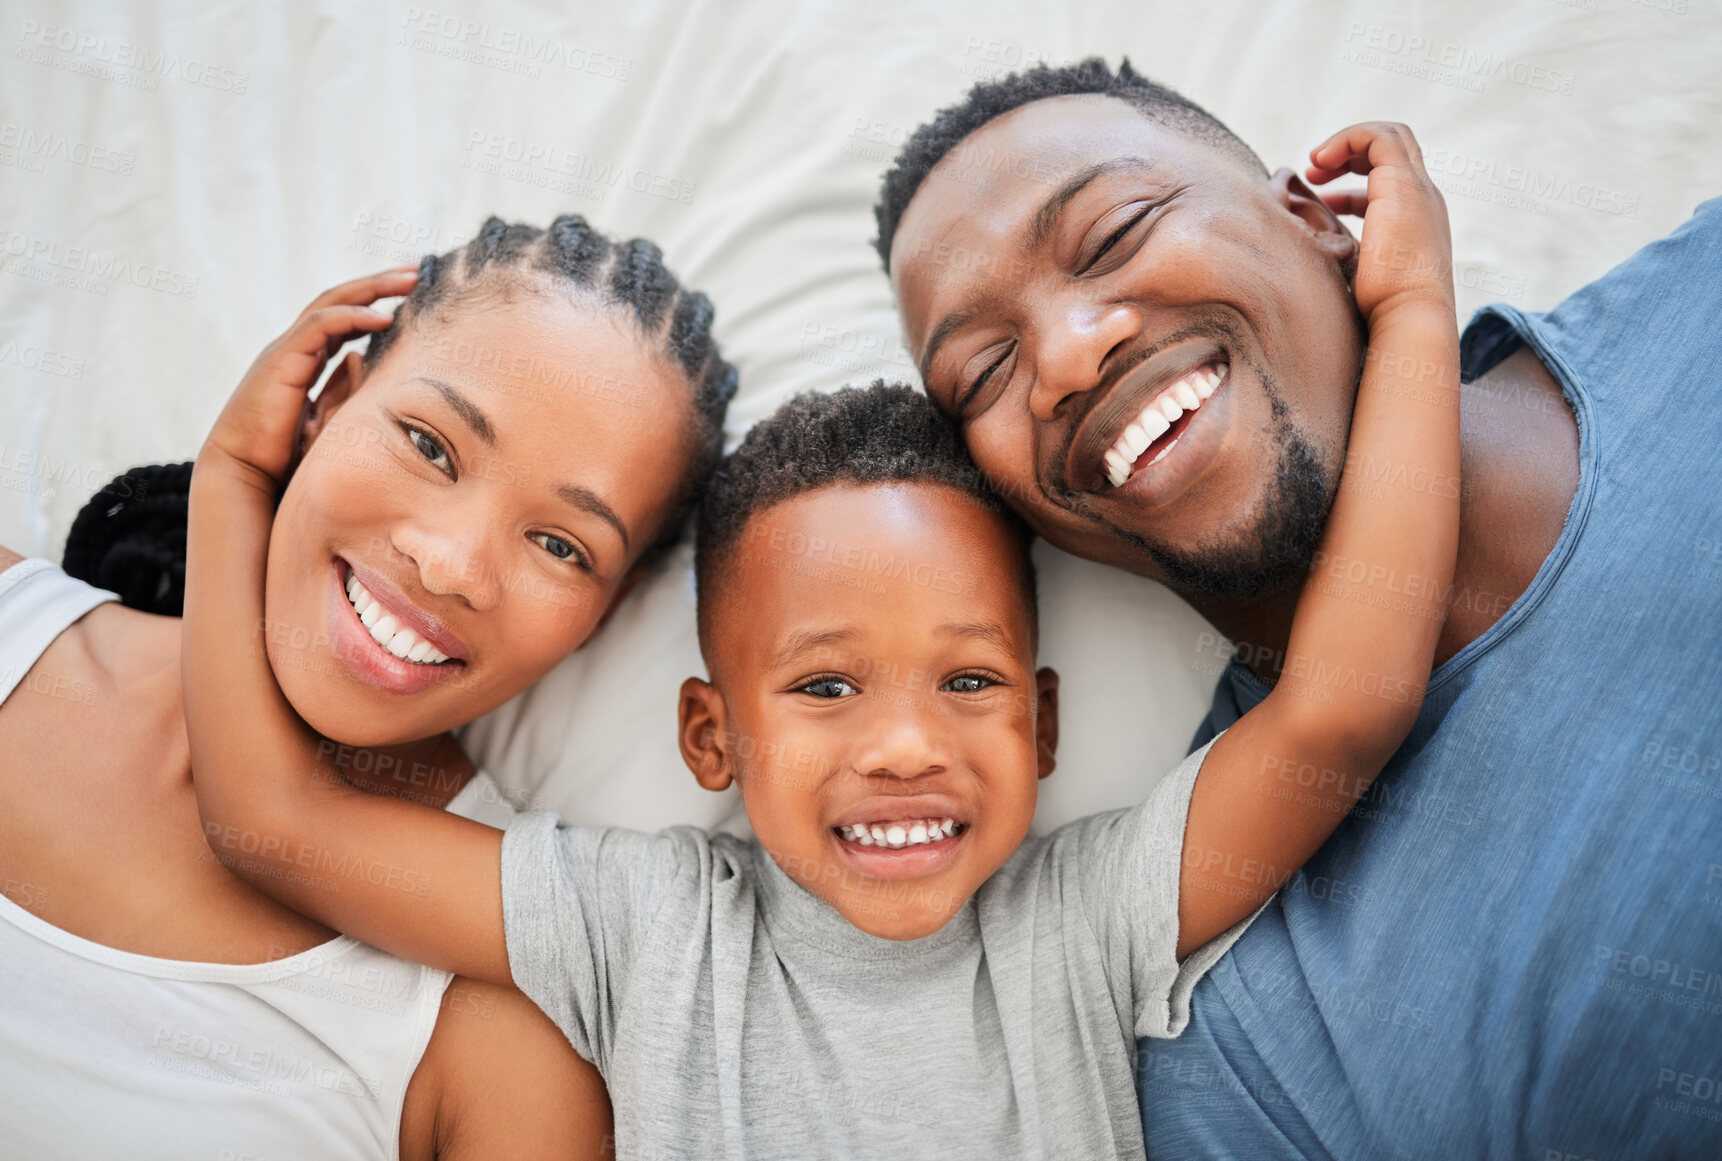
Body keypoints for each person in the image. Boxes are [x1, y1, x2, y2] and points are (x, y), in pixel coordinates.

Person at [178, 124, 1459, 1158]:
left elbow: (1342, 706)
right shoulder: (643, 930)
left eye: (968, 681)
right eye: (826, 685)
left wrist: (1407, 313)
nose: (904, 746)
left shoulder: (1081, 925)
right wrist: (234, 477)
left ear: (1044, 722)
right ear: (711, 736)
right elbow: (272, 825)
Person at [877, 58, 1722, 1157]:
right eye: (986, 371)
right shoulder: (1250, 1049)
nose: (1068, 355)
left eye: (1115, 232)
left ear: (1318, 216)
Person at [0, 214, 737, 1160]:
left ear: (606, 609)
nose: (452, 564)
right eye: (431, 446)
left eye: (561, 545)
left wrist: (235, 486)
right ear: (330, 399)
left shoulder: (507, 1023)